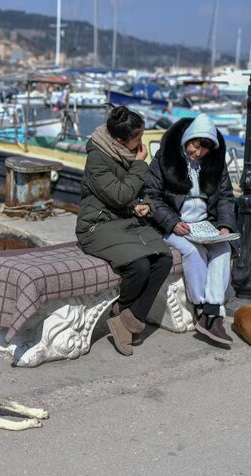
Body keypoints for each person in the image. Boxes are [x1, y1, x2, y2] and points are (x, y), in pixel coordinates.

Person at [76, 106, 174, 356]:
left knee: (163, 258)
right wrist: (140, 166)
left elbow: (141, 193)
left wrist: (144, 206)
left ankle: (125, 318)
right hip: (97, 225)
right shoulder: (97, 158)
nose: (141, 143)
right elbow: (119, 195)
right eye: (137, 138)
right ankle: (125, 315)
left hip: (125, 220)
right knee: (139, 265)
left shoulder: (128, 155)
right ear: (120, 140)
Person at [145, 114, 236, 345]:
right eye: (195, 147)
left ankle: (212, 310)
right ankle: (201, 307)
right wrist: (172, 222)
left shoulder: (214, 163)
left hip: (206, 224)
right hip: (173, 225)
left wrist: (225, 226)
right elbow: (151, 196)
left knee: (223, 249)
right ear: (187, 139)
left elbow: (225, 196)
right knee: (194, 252)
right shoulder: (165, 158)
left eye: (203, 151)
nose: (197, 154)